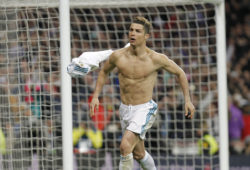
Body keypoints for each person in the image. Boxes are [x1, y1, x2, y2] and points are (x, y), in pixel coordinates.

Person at [90, 16, 195, 170]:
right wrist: (96, 96)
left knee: (125, 146)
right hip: (125, 109)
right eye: (131, 30)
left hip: (145, 109)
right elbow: (104, 72)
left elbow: (180, 73)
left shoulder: (155, 59)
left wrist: (187, 100)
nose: (132, 33)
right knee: (139, 154)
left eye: (138, 31)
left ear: (146, 36)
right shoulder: (118, 56)